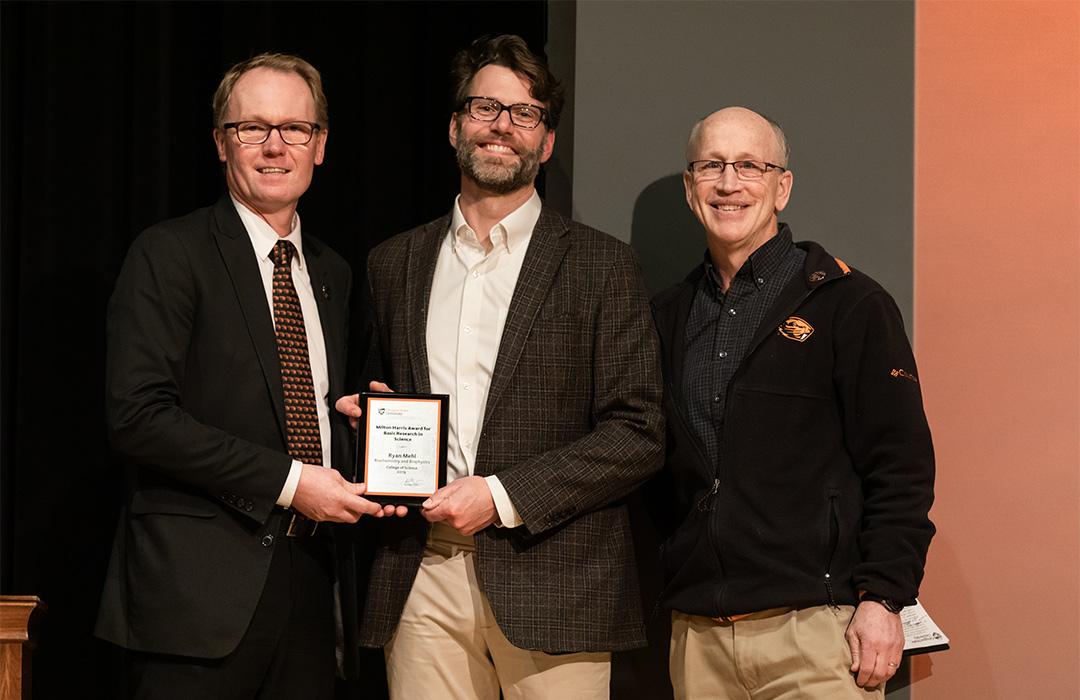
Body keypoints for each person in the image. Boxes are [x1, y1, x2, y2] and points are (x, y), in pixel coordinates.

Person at [336, 34, 664, 700]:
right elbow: (385, 397)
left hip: (557, 581)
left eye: (524, 113)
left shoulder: (603, 266)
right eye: (486, 107)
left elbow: (638, 432)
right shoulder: (394, 263)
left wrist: (501, 496)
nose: (501, 126)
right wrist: (369, 425)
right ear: (456, 126)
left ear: (545, 143)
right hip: (421, 579)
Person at [96, 53, 395, 698]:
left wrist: (371, 431)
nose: (273, 147)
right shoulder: (169, 253)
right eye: (250, 128)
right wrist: (289, 482)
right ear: (219, 142)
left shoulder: (333, 272)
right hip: (196, 597)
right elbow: (139, 417)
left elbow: (307, 409)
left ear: (320, 147)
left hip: (313, 584)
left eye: (294, 129)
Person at [651, 107, 936, 699]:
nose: (729, 184)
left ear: (782, 186)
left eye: (750, 166)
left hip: (819, 635)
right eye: (711, 166)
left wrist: (884, 597)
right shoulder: (666, 316)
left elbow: (900, 465)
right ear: (689, 187)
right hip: (697, 637)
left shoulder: (849, 304)